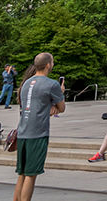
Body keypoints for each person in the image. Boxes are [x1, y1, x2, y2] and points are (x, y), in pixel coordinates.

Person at [14, 52, 66, 201]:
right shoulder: (52, 84)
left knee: (22, 173)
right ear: (48, 65)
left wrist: (48, 107)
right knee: (31, 175)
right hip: (37, 134)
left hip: (23, 132)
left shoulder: (26, 83)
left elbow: (34, 106)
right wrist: (60, 94)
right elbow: (61, 108)